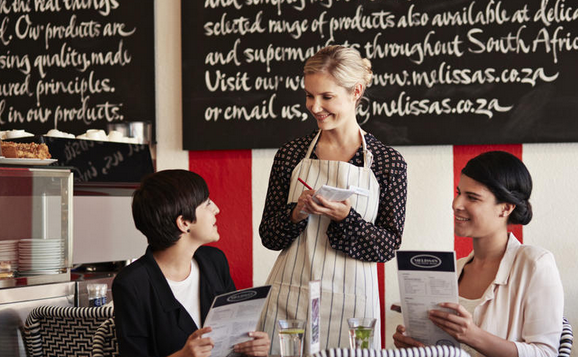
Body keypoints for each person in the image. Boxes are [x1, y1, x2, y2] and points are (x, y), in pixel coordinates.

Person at [259, 45, 407, 353]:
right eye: (309, 96)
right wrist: (295, 213)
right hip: (291, 298)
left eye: (327, 97)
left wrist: (346, 218)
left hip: (352, 304)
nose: (314, 107)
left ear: (356, 91)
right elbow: (269, 236)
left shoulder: (387, 162)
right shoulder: (291, 154)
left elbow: (387, 246)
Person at [393, 151, 564, 357]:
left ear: (506, 208)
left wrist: (473, 335)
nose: (456, 204)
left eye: (472, 197)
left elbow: (546, 353)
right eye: (459, 193)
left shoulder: (535, 264)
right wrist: (417, 348)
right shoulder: (454, 269)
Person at [112, 170, 270, 357]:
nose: (216, 209)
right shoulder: (132, 284)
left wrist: (250, 348)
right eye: (207, 203)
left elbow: (231, 340)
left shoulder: (214, 261)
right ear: (184, 222)